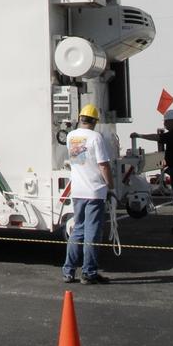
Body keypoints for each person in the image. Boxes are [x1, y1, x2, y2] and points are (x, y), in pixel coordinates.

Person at [62, 103, 115, 285]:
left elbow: (78, 160)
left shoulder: (71, 136)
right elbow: (103, 165)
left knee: (78, 230)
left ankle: (68, 271)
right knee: (92, 232)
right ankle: (89, 272)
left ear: (80, 118)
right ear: (95, 121)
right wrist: (111, 186)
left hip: (78, 190)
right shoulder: (96, 137)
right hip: (94, 191)